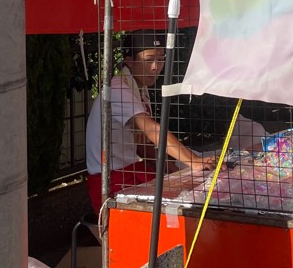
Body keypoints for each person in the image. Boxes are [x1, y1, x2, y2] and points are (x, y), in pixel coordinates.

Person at [85, 41, 214, 214]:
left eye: (161, 59)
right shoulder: (117, 89)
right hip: (109, 180)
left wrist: (174, 169)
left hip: (131, 170)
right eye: (149, 60)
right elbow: (152, 129)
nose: (156, 67)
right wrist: (192, 161)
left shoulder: (140, 89)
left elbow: (142, 147)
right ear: (130, 61)